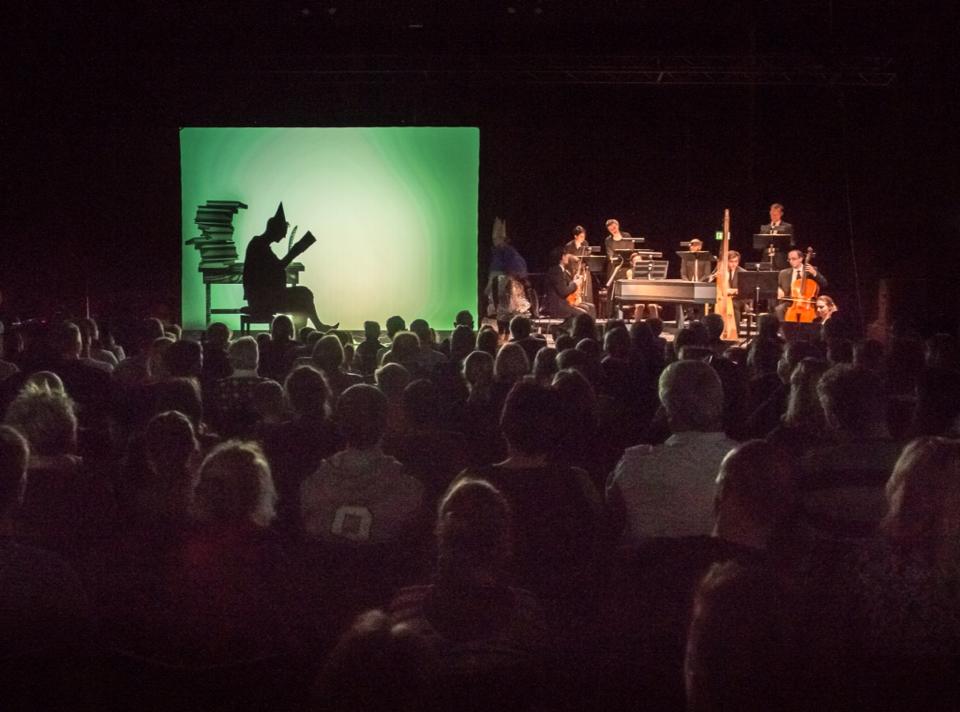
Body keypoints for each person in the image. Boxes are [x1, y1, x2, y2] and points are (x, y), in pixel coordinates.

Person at [606, 359, 737, 541]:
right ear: (720, 401)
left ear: (666, 409)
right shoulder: (747, 466)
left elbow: (614, 527)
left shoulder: (633, 465)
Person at [241, 202, 337, 331]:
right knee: (304, 294)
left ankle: (310, 330)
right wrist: (294, 252)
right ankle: (315, 328)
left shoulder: (260, 245)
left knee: (303, 299)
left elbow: (274, 269)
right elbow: (277, 268)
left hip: (264, 296)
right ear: (276, 230)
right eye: (283, 232)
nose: (284, 236)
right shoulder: (259, 246)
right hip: (262, 299)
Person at [486, 217, 531, 336]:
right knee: (501, 306)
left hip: (507, 282)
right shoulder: (497, 252)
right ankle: (503, 332)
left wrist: (511, 276)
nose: (496, 241)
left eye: (498, 239)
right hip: (500, 281)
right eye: (494, 239)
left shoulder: (510, 252)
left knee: (506, 306)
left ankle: (507, 332)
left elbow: (517, 267)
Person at [543, 247, 596, 320]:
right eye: (566, 255)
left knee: (591, 307)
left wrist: (574, 280)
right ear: (562, 257)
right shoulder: (556, 271)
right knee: (584, 314)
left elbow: (565, 285)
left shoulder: (560, 270)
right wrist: (575, 283)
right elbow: (563, 292)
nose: (568, 257)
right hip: (559, 307)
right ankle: (584, 327)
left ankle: (591, 327)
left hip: (564, 304)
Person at [776, 249, 828, 321]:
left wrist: (814, 273)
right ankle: (783, 327)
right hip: (791, 302)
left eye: (793, 259)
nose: (791, 261)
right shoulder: (783, 273)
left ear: (801, 259)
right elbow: (779, 285)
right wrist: (779, 289)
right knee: (779, 309)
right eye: (789, 259)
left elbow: (824, 284)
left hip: (807, 303)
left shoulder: (811, 270)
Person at [709, 249, 748, 327]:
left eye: (736, 261)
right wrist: (714, 276)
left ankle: (736, 329)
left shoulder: (743, 272)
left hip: (738, 298)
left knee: (733, 305)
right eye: (731, 261)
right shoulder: (721, 269)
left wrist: (733, 291)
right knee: (716, 304)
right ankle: (716, 327)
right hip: (723, 297)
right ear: (726, 262)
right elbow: (709, 280)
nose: (734, 264)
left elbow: (746, 290)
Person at [603, 218, 633, 316]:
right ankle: (610, 314)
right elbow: (610, 254)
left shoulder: (627, 236)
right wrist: (613, 258)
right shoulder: (608, 240)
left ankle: (628, 313)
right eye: (611, 229)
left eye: (614, 227)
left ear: (618, 225)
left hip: (626, 267)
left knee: (627, 289)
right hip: (614, 267)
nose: (613, 230)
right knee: (612, 289)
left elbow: (631, 250)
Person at [564, 225, 594, 305]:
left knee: (585, 290)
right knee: (575, 290)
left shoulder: (585, 243)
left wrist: (589, 254)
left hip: (583, 270)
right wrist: (572, 257)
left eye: (584, 236)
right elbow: (566, 259)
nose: (583, 238)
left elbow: (587, 257)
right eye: (581, 236)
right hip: (572, 271)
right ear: (575, 236)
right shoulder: (569, 245)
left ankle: (586, 306)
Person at [760, 202, 795, 269]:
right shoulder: (765, 227)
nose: (773, 216)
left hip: (781, 259)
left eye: (775, 214)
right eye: (772, 214)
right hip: (766, 259)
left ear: (781, 214)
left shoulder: (787, 227)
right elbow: (760, 245)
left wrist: (783, 243)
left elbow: (792, 243)